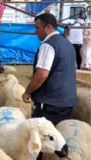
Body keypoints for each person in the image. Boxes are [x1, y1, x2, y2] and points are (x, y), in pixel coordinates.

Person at [22, 13, 77, 160]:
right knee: (58, 138)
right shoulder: (67, 44)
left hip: (50, 103)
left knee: (40, 140)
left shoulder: (48, 45)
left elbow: (41, 75)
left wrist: (27, 92)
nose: (35, 31)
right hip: (67, 101)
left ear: (48, 27)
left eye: (37, 27)